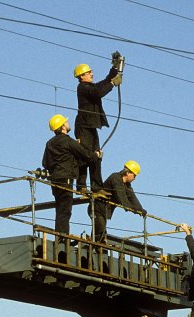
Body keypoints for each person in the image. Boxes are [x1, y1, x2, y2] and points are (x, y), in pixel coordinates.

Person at [42, 113, 101, 236]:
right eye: (66, 122)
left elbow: (45, 163)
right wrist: (96, 155)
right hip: (66, 179)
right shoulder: (68, 141)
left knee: (60, 209)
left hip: (54, 180)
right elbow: (87, 156)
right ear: (63, 126)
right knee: (65, 210)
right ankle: (62, 237)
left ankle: (60, 235)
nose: (68, 124)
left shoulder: (50, 143)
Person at [74, 62, 119, 191]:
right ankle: (81, 186)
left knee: (96, 156)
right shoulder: (82, 87)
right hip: (83, 127)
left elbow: (103, 83)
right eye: (89, 73)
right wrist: (112, 84)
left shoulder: (90, 87)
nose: (92, 74)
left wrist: (114, 69)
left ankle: (97, 187)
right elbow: (97, 92)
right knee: (85, 155)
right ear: (82, 76)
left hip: (91, 126)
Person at [91, 160, 145, 242]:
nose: (134, 178)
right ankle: (95, 248)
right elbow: (122, 198)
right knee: (100, 232)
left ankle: (95, 247)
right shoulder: (115, 178)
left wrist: (140, 209)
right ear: (128, 173)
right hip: (97, 209)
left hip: (105, 211)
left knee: (100, 233)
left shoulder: (127, 185)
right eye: (134, 175)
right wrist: (134, 209)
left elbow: (132, 197)